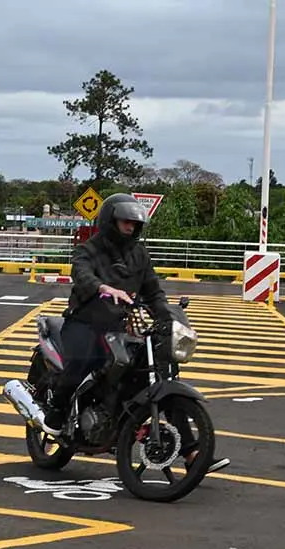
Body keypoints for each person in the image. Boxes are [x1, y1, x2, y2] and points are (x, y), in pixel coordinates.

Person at [38, 192, 229, 474]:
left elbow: (153, 292)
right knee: (81, 362)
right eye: (125, 222)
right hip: (85, 323)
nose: (130, 228)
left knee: (160, 376)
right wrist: (104, 288)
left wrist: (170, 317)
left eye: (133, 224)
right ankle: (55, 413)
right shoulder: (90, 248)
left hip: (121, 327)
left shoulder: (139, 254)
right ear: (110, 222)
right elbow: (82, 273)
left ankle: (192, 456)